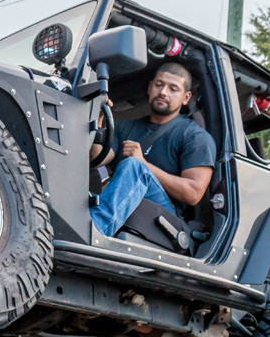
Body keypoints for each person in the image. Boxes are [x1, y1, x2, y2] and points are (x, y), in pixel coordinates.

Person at [90, 62, 216, 237]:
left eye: (173, 89)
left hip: (166, 218)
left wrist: (144, 165)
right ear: (150, 87)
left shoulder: (194, 136)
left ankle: (93, 231)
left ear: (186, 97)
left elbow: (193, 193)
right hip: (123, 204)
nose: (163, 92)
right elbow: (96, 160)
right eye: (159, 85)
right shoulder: (123, 127)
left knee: (135, 166)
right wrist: (98, 117)